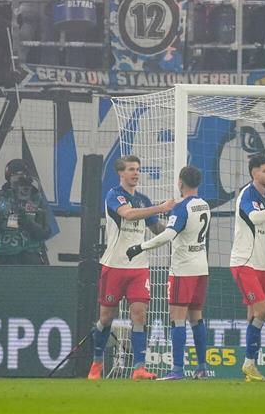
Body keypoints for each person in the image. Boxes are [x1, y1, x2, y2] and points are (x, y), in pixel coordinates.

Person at [88, 156, 175, 381]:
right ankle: (97, 362)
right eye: (131, 170)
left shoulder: (143, 200)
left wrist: (176, 231)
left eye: (137, 169)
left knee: (139, 314)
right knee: (106, 318)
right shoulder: (114, 195)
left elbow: (156, 228)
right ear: (121, 173)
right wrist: (162, 207)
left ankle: (139, 367)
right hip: (114, 266)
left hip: (139, 267)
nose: (135, 173)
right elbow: (128, 214)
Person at [126, 166, 211, 381]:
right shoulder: (204, 204)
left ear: (180, 183)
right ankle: (202, 368)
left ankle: (178, 369)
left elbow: (168, 235)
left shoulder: (182, 208)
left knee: (178, 320)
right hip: (202, 267)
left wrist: (141, 247)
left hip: (183, 270)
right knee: (197, 318)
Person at [230, 154, 265, 382]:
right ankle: (249, 363)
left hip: (262, 263)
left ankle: (250, 368)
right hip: (244, 262)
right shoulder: (247, 194)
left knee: (253, 313)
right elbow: (253, 217)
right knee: (263, 311)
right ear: (254, 173)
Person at [0, 159, 51, 265]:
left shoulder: (36, 198)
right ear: (8, 178)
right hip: (3, 256)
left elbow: (45, 232)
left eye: (22, 175)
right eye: (15, 175)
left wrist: (27, 222)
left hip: (30, 256)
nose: (18, 179)